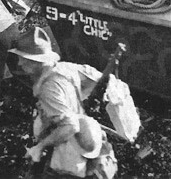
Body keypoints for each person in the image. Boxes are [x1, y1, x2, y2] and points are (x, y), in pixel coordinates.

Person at [9, 27, 112, 178]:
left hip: (68, 152)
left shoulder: (48, 88)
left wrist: (40, 147)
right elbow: (97, 79)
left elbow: (70, 126)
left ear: (36, 61)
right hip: (81, 139)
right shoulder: (65, 68)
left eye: (23, 59)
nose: (19, 64)